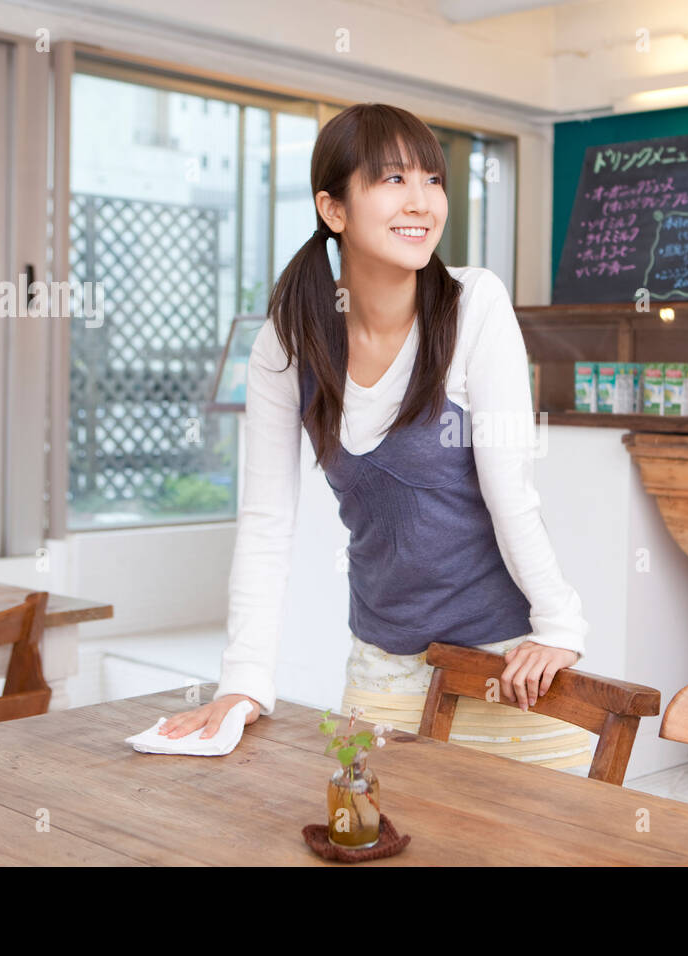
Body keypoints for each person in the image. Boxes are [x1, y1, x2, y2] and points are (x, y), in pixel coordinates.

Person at [159, 103, 592, 770]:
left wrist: (560, 626)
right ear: (334, 209)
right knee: (366, 839)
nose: (421, 201)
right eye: (392, 180)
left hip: (507, 668)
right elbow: (267, 522)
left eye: (433, 180)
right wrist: (244, 680)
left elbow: (513, 491)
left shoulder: (473, 304)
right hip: (383, 669)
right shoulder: (288, 343)